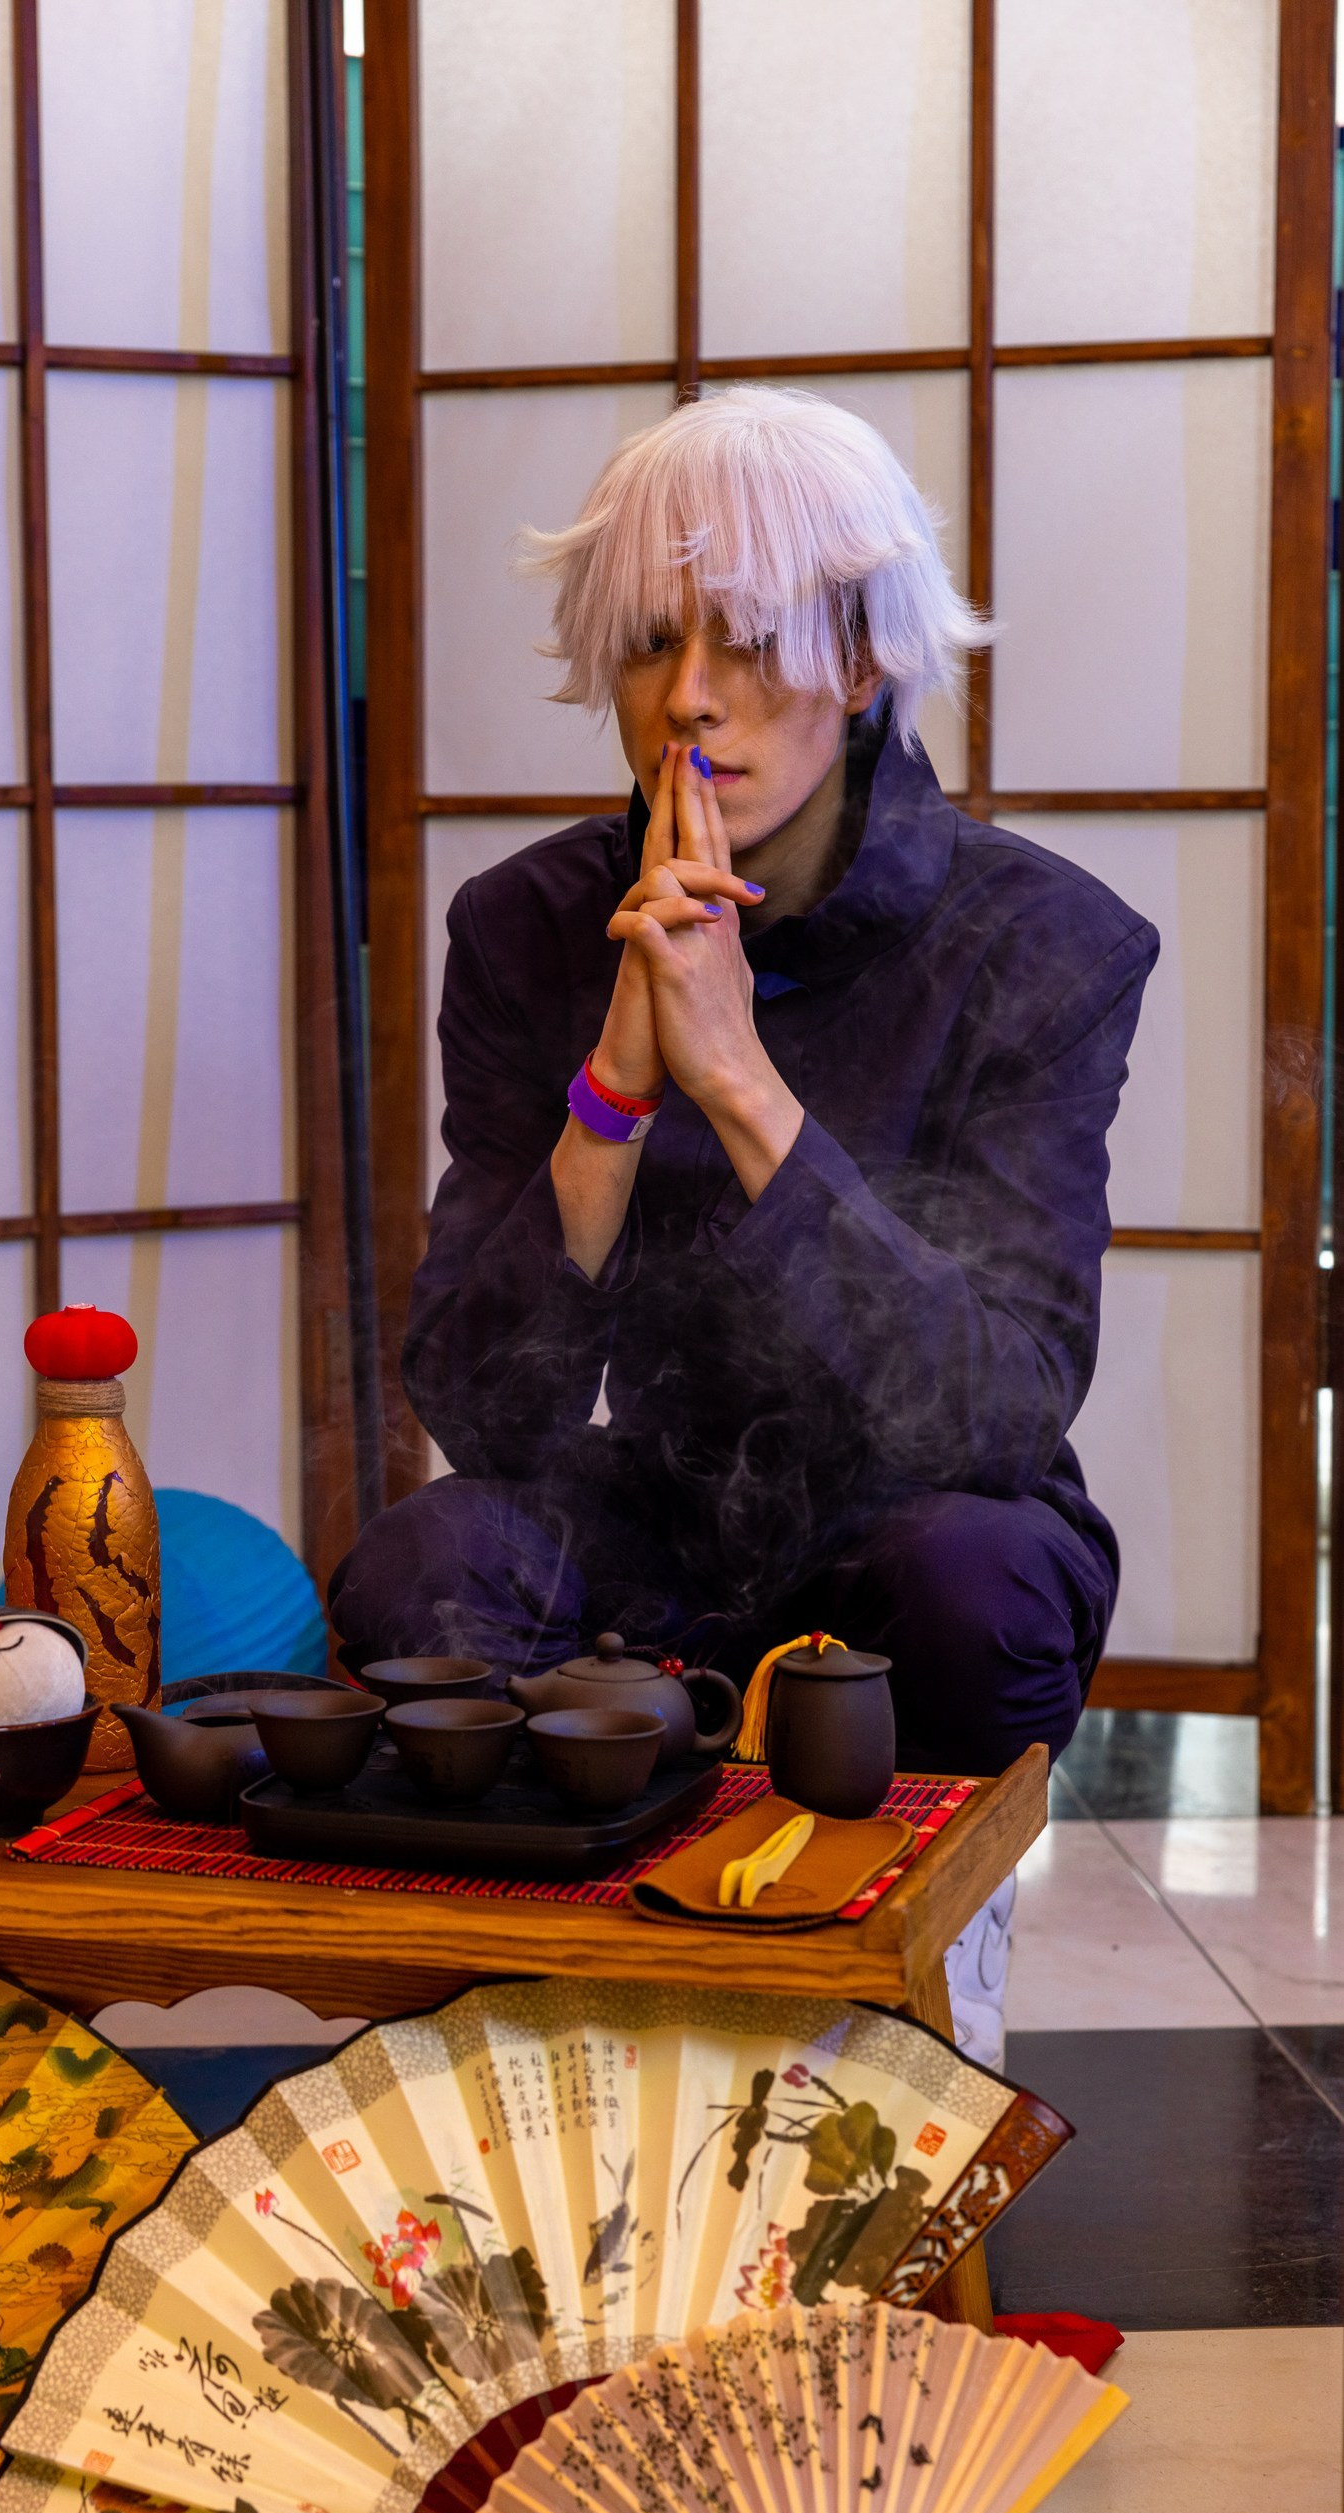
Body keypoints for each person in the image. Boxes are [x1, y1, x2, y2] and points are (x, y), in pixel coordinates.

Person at [332, 387, 1157, 1786]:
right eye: (652, 642)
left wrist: (738, 1080)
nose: (690, 697)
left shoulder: (1041, 943)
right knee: (422, 1571)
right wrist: (616, 1085)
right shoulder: (527, 926)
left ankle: (894, 1905)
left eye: (756, 640)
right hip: (655, 1520)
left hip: (919, 1533)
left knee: (978, 1588)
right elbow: (486, 1414)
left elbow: (1001, 1416)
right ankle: (574, 1888)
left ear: (863, 661)